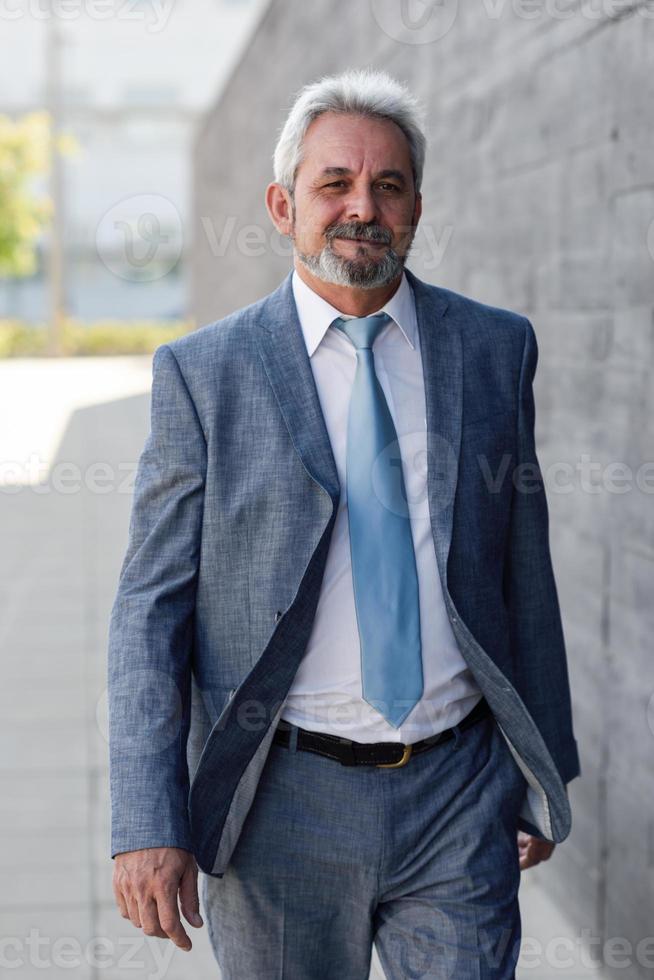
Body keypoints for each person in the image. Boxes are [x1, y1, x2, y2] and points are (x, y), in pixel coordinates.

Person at [108, 67, 581, 979]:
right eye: (335, 184)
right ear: (284, 206)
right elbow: (148, 613)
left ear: (414, 208)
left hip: (460, 793)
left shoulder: (494, 348)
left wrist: (540, 765)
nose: (362, 207)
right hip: (277, 803)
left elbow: (526, 568)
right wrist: (145, 820)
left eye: (388, 185)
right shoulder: (205, 376)